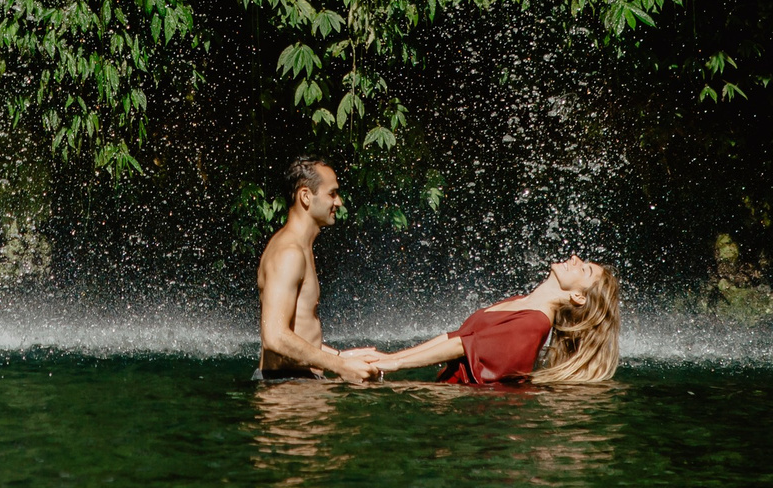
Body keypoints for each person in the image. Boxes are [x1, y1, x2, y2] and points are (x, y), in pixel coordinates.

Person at [367, 255, 622, 385]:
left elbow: (461, 346)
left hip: (467, 410)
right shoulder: (522, 302)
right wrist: (389, 358)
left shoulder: (533, 324)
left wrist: (394, 364)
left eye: (584, 270)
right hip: (449, 396)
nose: (575, 259)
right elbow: (456, 337)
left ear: (578, 296)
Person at [255, 158, 382, 382]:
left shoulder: (300, 248)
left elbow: (298, 333)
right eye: (332, 194)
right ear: (306, 196)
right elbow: (274, 337)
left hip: (296, 382)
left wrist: (343, 356)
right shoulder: (289, 253)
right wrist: (341, 366)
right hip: (286, 387)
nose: (339, 202)